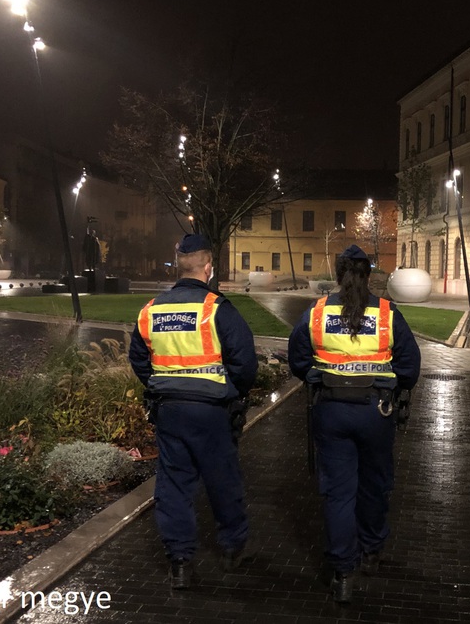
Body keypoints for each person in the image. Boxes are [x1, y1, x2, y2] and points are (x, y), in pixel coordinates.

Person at [287, 244, 421, 604]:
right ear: (369, 274)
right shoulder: (389, 314)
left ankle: (343, 571)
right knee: (374, 485)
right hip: (376, 412)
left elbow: (298, 359)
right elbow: (409, 366)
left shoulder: (315, 313)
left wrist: (319, 376)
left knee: (337, 492)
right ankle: (372, 550)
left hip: (330, 411)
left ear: (337, 272)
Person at [128, 233, 258, 590]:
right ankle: (232, 548)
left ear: (178, 266)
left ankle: (180, 561)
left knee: (172, 484)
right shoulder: (218, 309)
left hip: (169, 410)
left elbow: (139, 359)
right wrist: (233, 390)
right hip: (212, 411)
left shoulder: (152, 310)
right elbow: (245, 363)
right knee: (223, 480)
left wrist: (161, 383)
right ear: (208, 267)